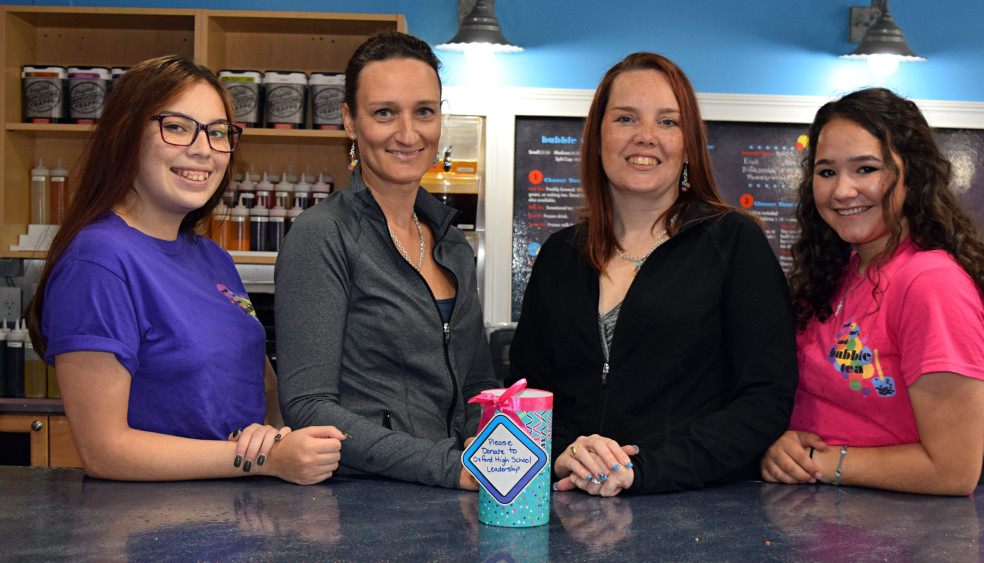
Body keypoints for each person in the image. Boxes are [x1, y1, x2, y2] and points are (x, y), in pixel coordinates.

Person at [26, 55, 344, 484]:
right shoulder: (98, 260)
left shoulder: (214, 258)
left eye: (217, 133)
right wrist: (263, 460)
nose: (202, 149)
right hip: (150, 530)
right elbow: (104, 450)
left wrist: (271, 438)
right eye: (176, 127)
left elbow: (256, 387)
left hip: (235, 519)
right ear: (125, 134)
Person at [508, 52, 799, 496]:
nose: (646, 137)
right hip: (572, 506)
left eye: (668, 122)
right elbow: (529, 392)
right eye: (626, 118)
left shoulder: (733, 242)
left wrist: (641, 470)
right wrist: (562, 452)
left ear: (688, 144)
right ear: (598, 136)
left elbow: (765, 400)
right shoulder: (559, 255)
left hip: (700, 512)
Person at [760, 88, 984, 496]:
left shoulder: (932, 284)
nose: (842, 190)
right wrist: (783, 449)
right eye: (826, 172)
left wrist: (823, 463)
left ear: (912, 173)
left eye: (865, 169)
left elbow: (952, 470)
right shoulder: (841, 272)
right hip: (828, 523)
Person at [274, 31, 497, 490]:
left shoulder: (453, 243)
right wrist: (450, 468)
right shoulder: (323, 233)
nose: (408, 133)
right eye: (384, 113)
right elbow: (308, 405)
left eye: (424, 112)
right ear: (350, 121)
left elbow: (479, 390)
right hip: (360, 504)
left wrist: (503, 461)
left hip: (452, 498)